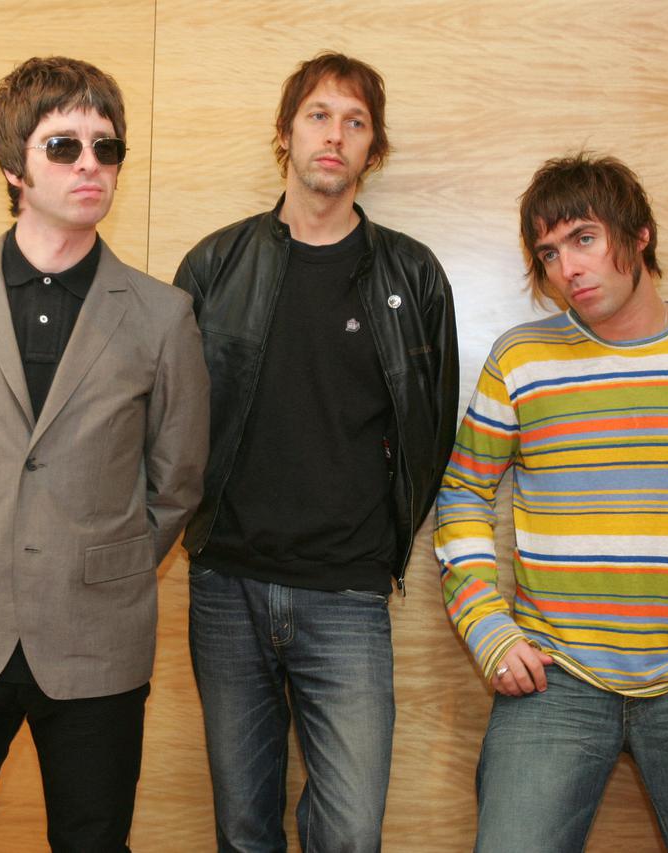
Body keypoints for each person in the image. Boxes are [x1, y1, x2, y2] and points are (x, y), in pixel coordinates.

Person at [0, 55, 210, 852]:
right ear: (13, 166)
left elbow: (178, 481)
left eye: (107, 147)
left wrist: (110, 558)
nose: (90, 164)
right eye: (64, 146)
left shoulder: (163, 315)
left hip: (98, 634)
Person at [173, 51, 459, 851]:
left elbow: (430, 434)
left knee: (352, 833)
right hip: (226, 587)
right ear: (286, 134)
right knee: (242, 827)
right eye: (319, 115)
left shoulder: (414, 275)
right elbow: (175, 419)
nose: (336, 136)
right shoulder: (213, 264)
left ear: (375, 149)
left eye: (356, 121)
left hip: (348, 596)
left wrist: (376, 548)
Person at [434, 152, 668, 852]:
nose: (566, 267)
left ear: (639, 237)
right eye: (548, 252)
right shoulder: (521, 359)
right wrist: (488, 625)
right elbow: (463, 494)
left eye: (583, 238)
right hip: (555, 677)